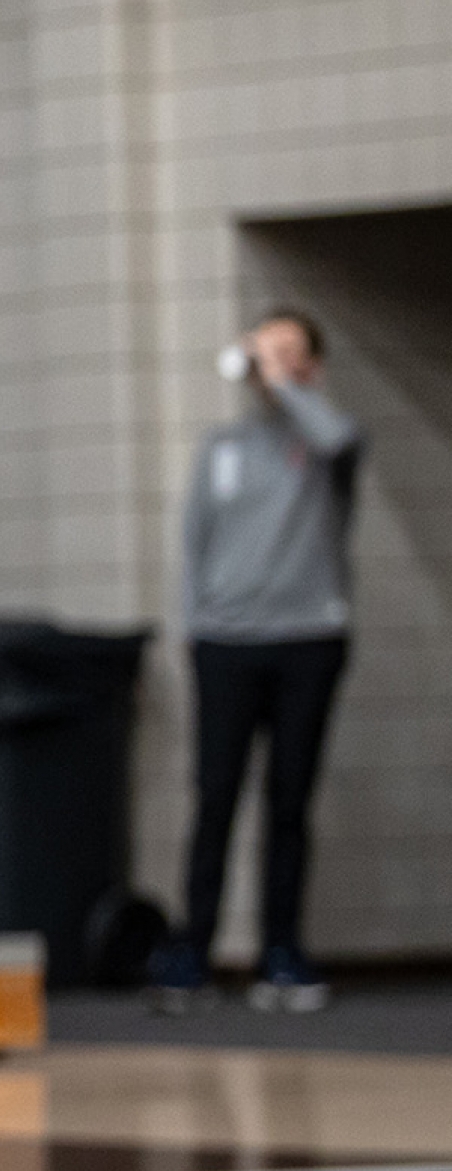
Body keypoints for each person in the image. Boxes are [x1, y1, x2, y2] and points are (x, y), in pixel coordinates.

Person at [150, 309, 362, 1015]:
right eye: (263, 348)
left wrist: (289, 383)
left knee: (289, 800)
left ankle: (282, 953)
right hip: (227, 645)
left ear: (311, 365)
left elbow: (336, 437)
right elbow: (195, 541)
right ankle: (194, 951)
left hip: (308, 639)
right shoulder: (223, 447)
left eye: (287, 349)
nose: (269, 361)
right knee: (215, 796)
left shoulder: (328, 441)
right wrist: (196, 625)